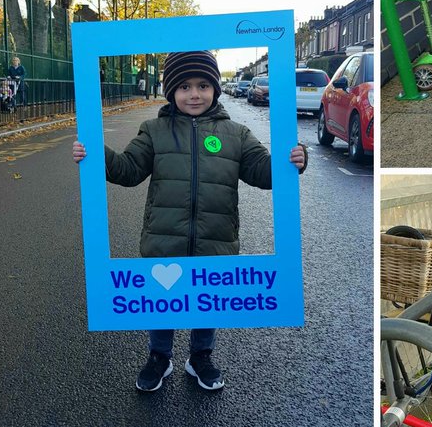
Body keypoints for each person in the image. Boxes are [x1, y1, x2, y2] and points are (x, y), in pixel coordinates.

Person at [70, 49, 309, 393]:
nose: (194, 94)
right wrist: (95, 155)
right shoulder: (154, 131)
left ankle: (201, 356)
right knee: (162, 302)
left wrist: (293, 161)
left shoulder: (236, 134)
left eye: (202, 85)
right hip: (164, 240)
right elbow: (128, 170)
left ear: (215, 88)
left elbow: (263, 172)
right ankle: (159, 356)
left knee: (207, 303)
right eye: (184, 87)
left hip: (216, 240)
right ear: (171, 91)